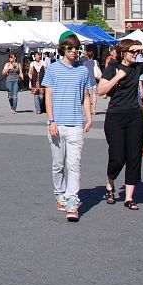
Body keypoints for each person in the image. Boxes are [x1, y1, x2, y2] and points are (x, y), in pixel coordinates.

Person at [99, 39, 143, 210]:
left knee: (134, 156)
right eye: (132, 52)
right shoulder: (113, 68)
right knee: (117, 156)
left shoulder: (138, 67)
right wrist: (117, 77)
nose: (135, 55)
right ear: (123, 53)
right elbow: (101, 90)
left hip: (134, 116)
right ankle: (110, 183)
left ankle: (129, 197)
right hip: (115, 116)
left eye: (137, 52)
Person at [41, 32, 94, 222]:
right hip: (57, 124)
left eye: (76, 48)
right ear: (63, 48)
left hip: (75, 125)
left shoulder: (83, 71)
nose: (74, 51)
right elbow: (48, 95)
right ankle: (60, 193)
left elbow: (86, 96)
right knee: (58, 165)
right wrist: (51, 120)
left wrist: (88, 118)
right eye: (70, 48)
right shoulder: (53, 69)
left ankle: (72, 201)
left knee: (74, 165)